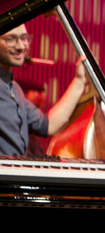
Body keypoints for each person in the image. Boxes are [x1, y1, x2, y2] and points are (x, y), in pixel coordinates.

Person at [0, 23, 86, 156]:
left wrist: (79, 81)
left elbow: (49, 125)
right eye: (10, 39)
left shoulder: (15, 89)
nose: (20, 46)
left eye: (24, 38)